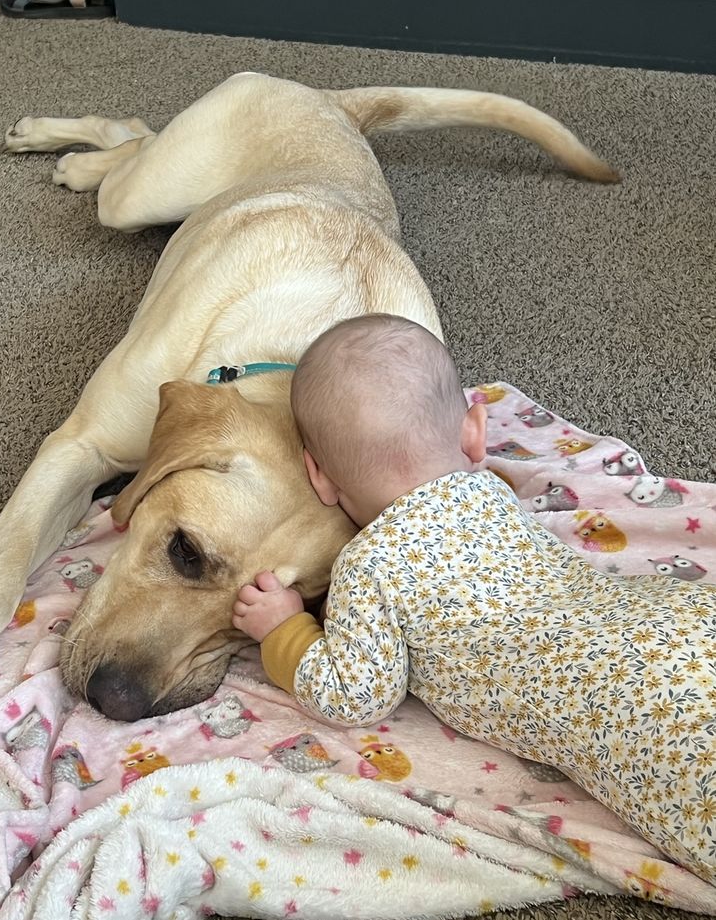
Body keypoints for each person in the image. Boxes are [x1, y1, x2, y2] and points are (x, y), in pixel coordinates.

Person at [231, 313, 716, 883]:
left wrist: (284, 629)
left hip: (631, 696)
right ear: (475, 432)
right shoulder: (493, 491)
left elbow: (355, 695)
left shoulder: (368, 563)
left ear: (318, 476)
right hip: (672, 617)